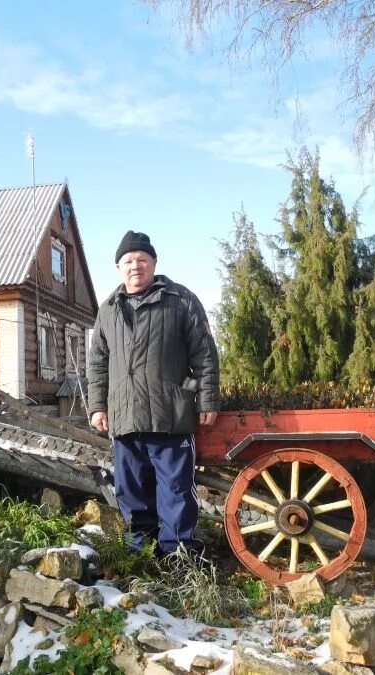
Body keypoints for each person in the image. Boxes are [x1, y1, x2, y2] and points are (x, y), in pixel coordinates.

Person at [88, 230, 219, 556]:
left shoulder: (181, 300)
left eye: (142, 260)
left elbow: (204, 354)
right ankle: (141, 553)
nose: (136, 266)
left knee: (175, 489)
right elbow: (97, 364)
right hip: (124, 416)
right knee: (131, 491)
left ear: (154, 263)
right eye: (128, 261)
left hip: (169, 415)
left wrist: (207, 398)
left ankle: (178, 555)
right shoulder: (108, 310)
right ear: (119, 267)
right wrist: (97, 407)